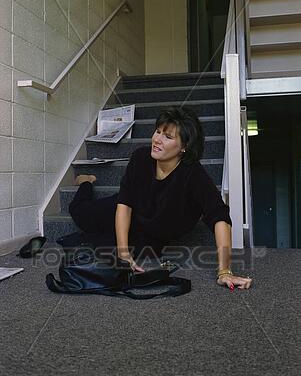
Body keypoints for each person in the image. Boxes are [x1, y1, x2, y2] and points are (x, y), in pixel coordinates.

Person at [69, 106, 252, 290]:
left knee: (110, 249)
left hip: (152, 232)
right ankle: (87, 182)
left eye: (168, 137)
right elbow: (124, 204)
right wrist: (124, 253)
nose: (157, 140)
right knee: (80, 214)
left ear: (184, 147)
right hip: (127, 208)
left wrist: (224, 271)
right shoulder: (140, 157)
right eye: (158, 131)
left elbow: (219, 217)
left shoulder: (194, 175)